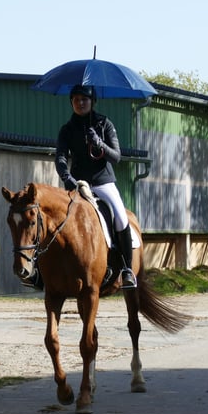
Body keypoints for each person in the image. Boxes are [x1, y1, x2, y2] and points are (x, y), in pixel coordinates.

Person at [55, 84, 137, 289]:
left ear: (92, 102)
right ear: (72, 102)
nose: (80, 103)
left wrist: (99, 143)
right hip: (78, 183)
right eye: (76, 100)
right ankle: (47, 270)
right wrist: (65, 175)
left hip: (103, 183)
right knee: (56, 219)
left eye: (84, 99)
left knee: (119, 216)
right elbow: (61, 156)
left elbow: (117, 157)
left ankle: (127, 269)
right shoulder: (66, 129)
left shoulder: (104, 124)